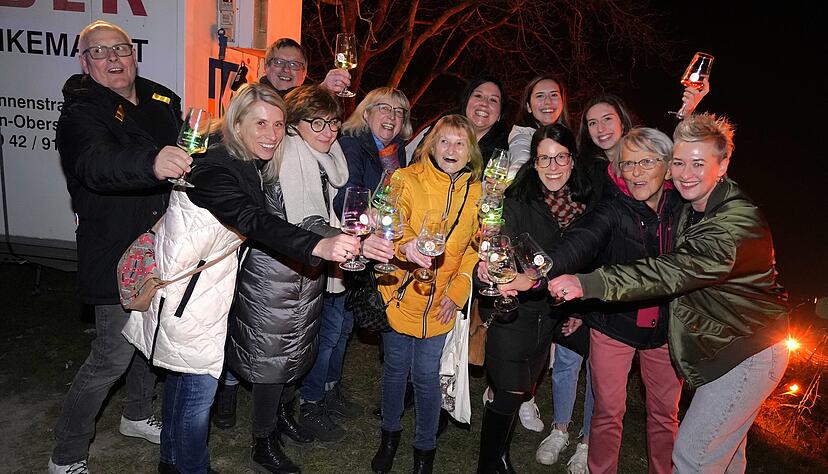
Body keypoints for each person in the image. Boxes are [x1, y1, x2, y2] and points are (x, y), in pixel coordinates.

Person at [121, 83, 359, 474]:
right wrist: (318, 246)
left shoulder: (243, 160)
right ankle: (192, 468)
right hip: (187, 299)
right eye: (260, 123)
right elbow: (252, 218)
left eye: (279, 124)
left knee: (182, 385)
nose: (272, 134)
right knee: (197, 394)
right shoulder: (215, 167)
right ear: (237, 124)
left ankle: (172, 463)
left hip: (199, 293)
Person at [549, 113, 790, 473]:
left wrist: (587, 283)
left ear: (724, 165)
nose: (686, 173)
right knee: (725, 457)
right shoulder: (693, 204)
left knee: (691, 454)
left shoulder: (726, 222)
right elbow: (581, 240)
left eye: (697, 164)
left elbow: (669, 272)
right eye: (680, 162)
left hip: (744, 349)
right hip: (714, 341)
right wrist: (541, 268)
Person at [49, 20, 192, 474]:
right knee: (112, 354)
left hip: (163, 242)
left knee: (150, 339)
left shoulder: (161, 98)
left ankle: (136, 413)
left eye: (121, 49)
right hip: (115, 249)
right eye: (100, 51)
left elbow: (186, 148)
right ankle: (66, 454)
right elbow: (95, 163)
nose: (113, 58)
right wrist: (152, 162)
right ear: (84, 62)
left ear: (134, 54)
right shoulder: (80, 112)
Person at [510, 127, 684, 473]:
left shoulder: (684, 208)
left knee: (665, 415)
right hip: (612, 323)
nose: (635, 172)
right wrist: (536, 274)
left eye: (646, 162)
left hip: (666, 329)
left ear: (668, 166)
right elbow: (579, 242)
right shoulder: (612, 208)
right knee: (607, 410)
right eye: (628, 163)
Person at [220, 84, 349, 473]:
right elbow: (301, 222)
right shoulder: (289, 155)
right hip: (273, 275)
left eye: (333, 122)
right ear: (296, 124)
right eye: (317, 122)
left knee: (295, 352)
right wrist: (346, 240)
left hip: (303, 271)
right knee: (271, 360)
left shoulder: (315, 157)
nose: (328, 131)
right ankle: (263, 442)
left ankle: (281, 418)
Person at [474, 124, 592, 473]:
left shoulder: (584, 205)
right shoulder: (518, 201)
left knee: (521, 388)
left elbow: (587, 261)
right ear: (534, 163)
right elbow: (498, 243)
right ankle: (489, 464)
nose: (553, 167)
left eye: (560, 157)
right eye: (544, 159)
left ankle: (498, 456)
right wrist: (491, 268)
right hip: (514, 313)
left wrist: (577, 309)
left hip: (550, 316)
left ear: (572, 160)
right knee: (511, 390)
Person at [370, 115, 482, 474]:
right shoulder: (405, 179)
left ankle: (424, 450)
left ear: (471, 151)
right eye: (444, 141)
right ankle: (389, 436)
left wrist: (458, 292)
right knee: (395, 370)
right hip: (400, 294)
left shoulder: (478, 194)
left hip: (441, 304)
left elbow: (475, 248)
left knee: (426, 376)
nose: (451, 149)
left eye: (460, 143)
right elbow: (391, 225)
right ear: (431, 145)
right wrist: (406, 246)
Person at [297, 87, 412, 432]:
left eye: (399, 111)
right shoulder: (352, 144)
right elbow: (346, 197)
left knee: (344, 327)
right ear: (366, 112)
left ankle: (329, 390)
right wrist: (372, 218)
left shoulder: (396, 152)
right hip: (340, 246)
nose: (392, 116)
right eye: (384, 108)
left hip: (364, 251)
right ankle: (311, 401)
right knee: (330, 330)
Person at [405, 76, 509, 165]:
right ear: (466, 102)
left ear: (500, 114)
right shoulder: (441, 127)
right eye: (478, 96)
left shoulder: (502, 152)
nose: (484, 103)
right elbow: (416, 165)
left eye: (493, 100)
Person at [507, 74, 571, 179]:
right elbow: (520, 161)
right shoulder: (523, 135)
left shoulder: (567, 137)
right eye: (540, 96)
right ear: (528, 106)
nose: (548, 102)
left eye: (554, 95)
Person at [260, 37, 351, 95]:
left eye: (294, 64)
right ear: (266, 66)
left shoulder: (306, 106)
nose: (286, 69)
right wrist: (323, 90)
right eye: (279, 62)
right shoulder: (254, 99)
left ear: (304, 73)